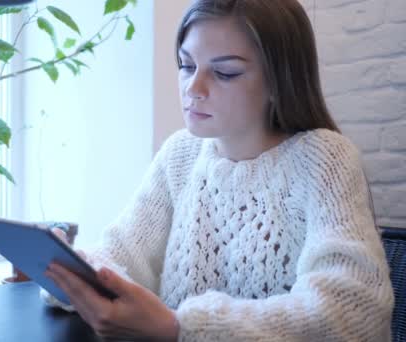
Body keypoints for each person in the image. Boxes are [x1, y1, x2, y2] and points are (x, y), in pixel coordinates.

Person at [43, 0, 395, 341]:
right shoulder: (180, 154)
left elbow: (354, 310)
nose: (193, 89)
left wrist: (181, 329)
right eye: (186, 65)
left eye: (225, 72)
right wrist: (75, 270)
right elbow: (122, 254)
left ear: (279, 81)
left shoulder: (325, 158)